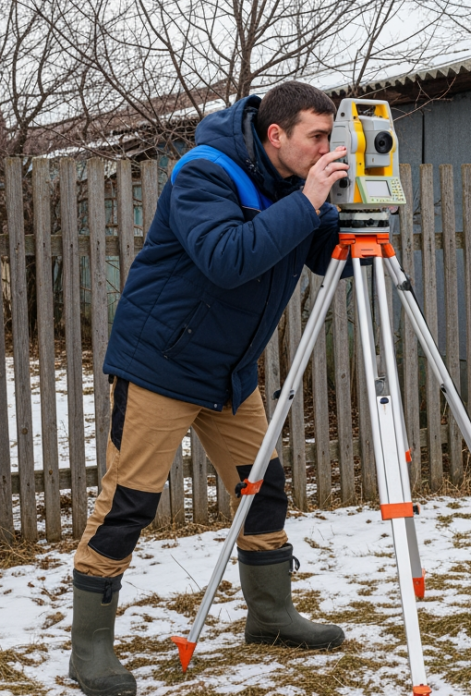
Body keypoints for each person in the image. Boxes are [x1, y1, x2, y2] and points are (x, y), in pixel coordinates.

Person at [67, 81, 353, 696]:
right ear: (276, 135)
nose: (330, 147)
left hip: (229, 373)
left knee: (264, 487)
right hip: (161, 365)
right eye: (318, 137)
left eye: (332, 136)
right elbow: (228, 257)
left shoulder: (296, 188)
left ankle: (270, 615)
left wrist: (356, 220)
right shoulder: (204, 172)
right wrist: (308, 202)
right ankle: (89, 647)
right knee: (127, 504)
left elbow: (329, 260)